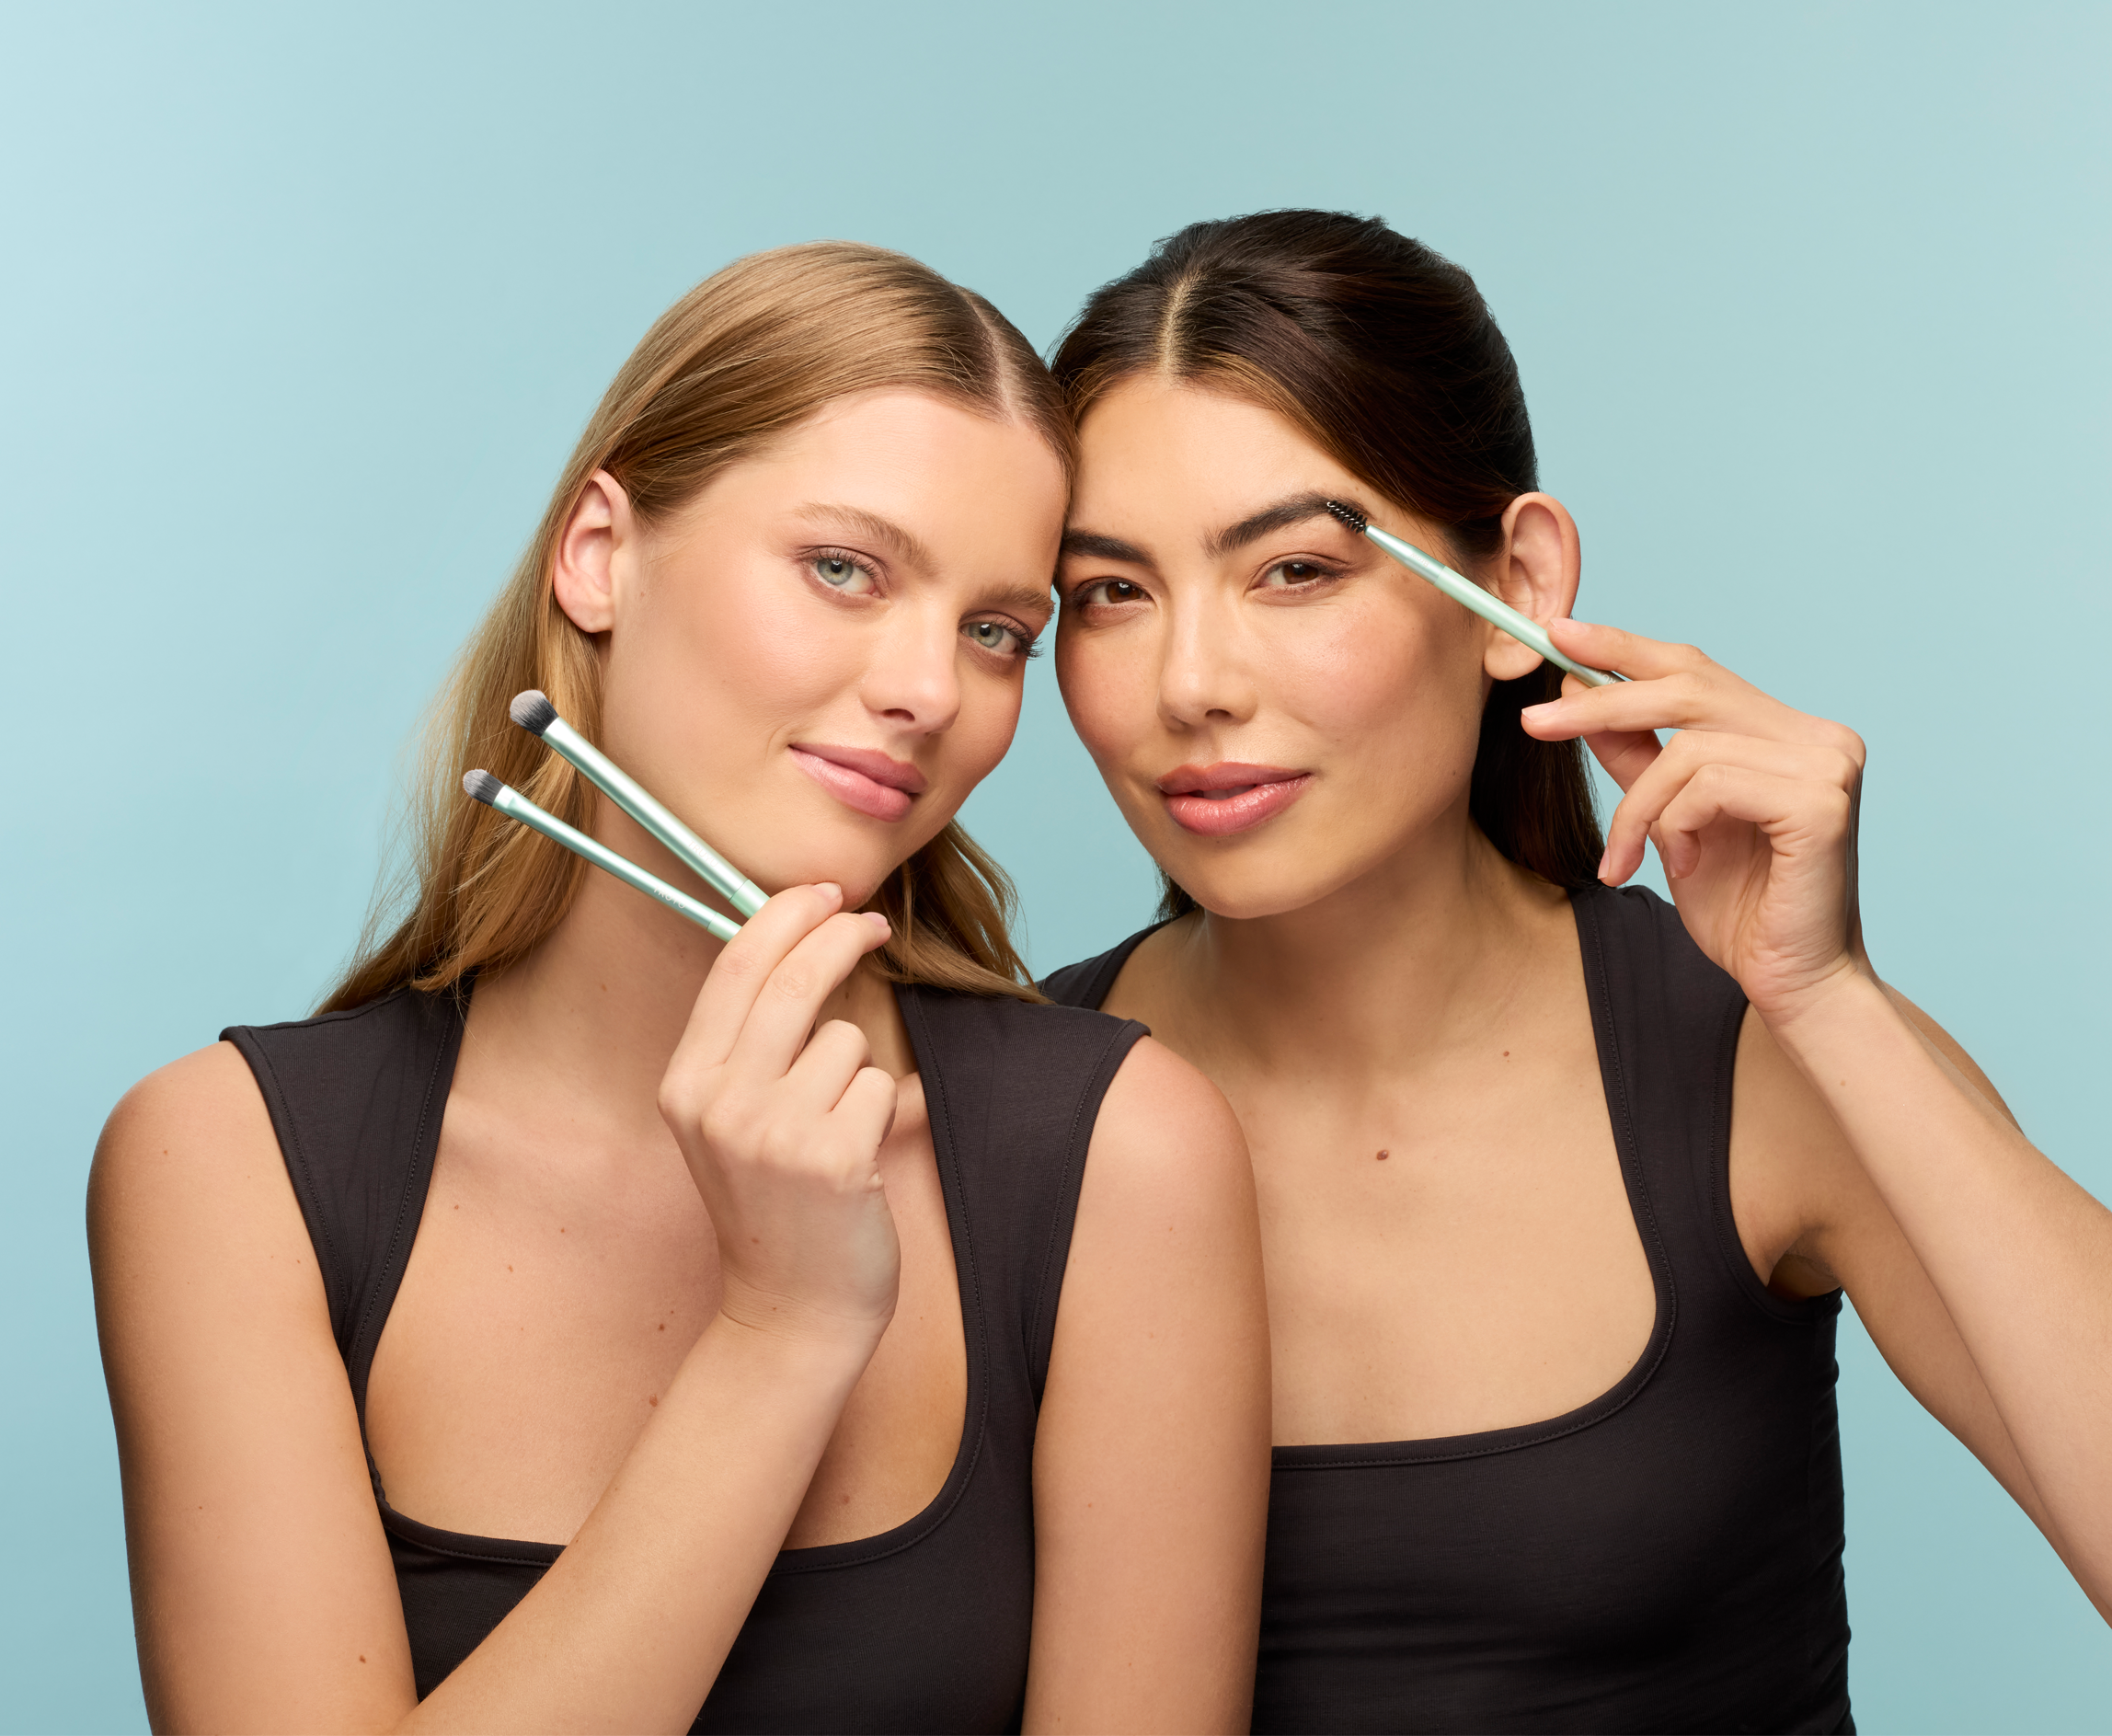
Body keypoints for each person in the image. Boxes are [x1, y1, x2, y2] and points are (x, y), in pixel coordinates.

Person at [89, 242, 1269, 1735]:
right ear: (599, 551)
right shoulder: (231, 1166)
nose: (928, 688)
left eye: (996, 632)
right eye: (843, 568)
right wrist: (780, 1335)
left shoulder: (1122, 1157)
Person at [1039, 209, 2112, 1733]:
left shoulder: (1752, 1057)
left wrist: (1831, 1002)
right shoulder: (997, 1112)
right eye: (1110, 594)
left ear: (1520, 587)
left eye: (1292, 570)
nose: (1190, 684)